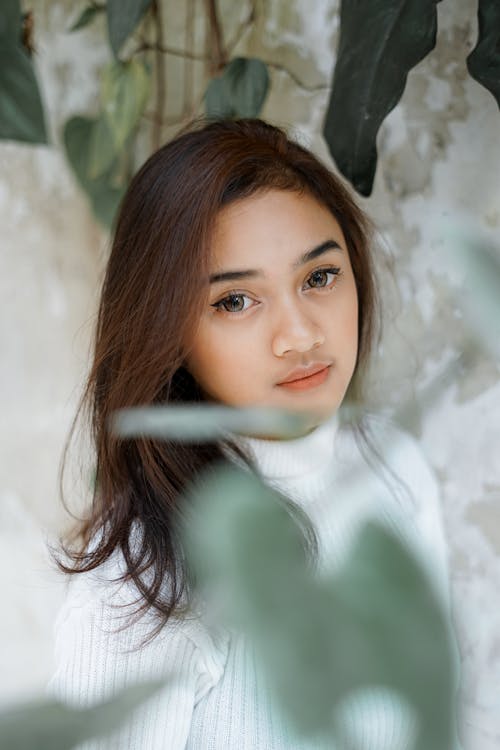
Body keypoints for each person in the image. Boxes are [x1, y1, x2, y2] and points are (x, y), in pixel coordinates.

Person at [48, 118, 454, 749]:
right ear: (170, 336)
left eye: (319, 277)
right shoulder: (141, 589)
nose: (300, 335)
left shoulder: (395, 465)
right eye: (235, 301)